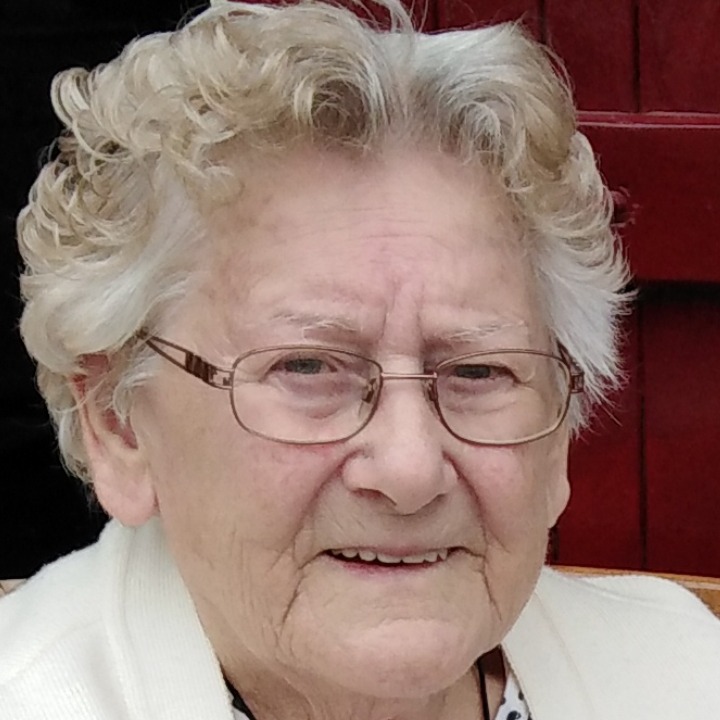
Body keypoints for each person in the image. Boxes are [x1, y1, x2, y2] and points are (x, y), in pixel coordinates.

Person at [2, 0, 719, 717]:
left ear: (559, 431)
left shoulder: (682, 677)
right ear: (118, 425)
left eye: (478, 371)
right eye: (308, 368)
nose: (410, 470)